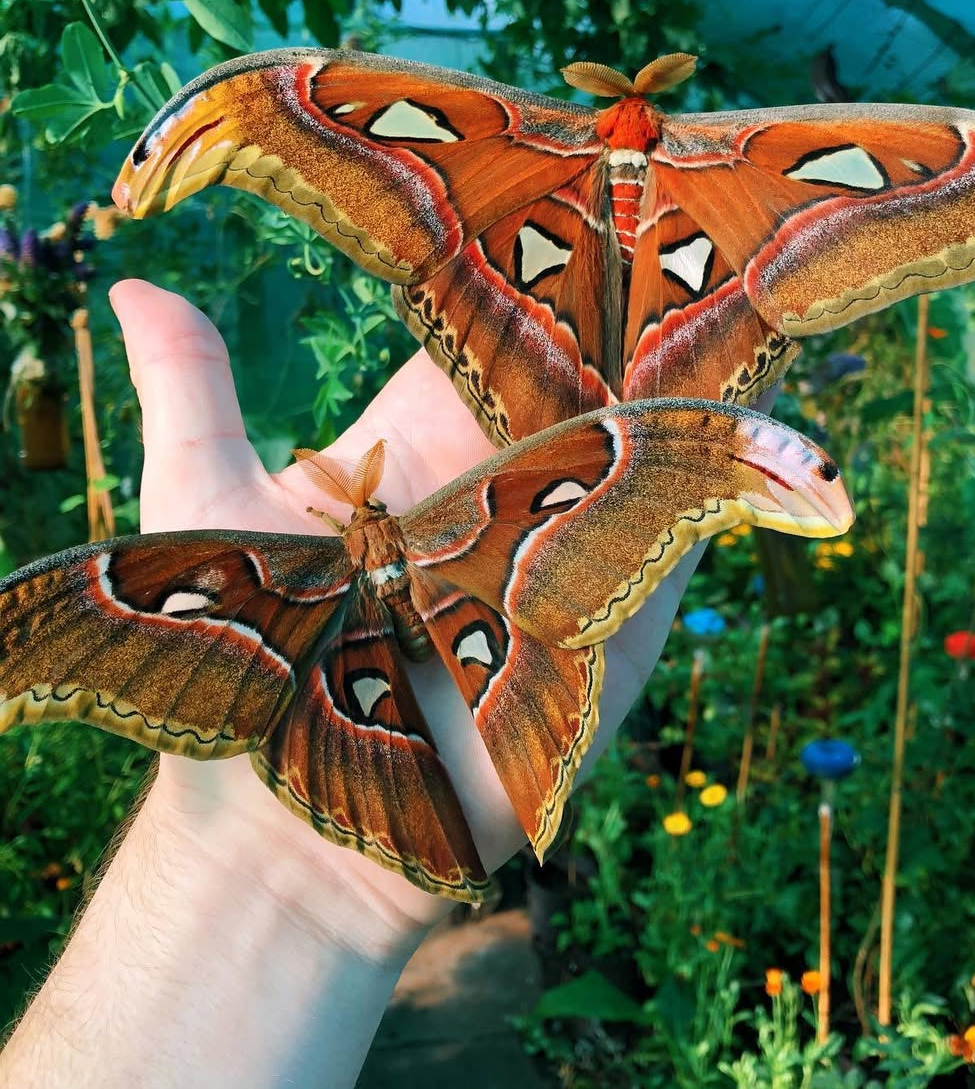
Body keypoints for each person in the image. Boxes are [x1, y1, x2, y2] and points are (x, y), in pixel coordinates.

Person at [0, 280, 704, 1088]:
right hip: (402, 638)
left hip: (378, 642)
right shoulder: (418, 527)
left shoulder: (298, 566)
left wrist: (685, 455)